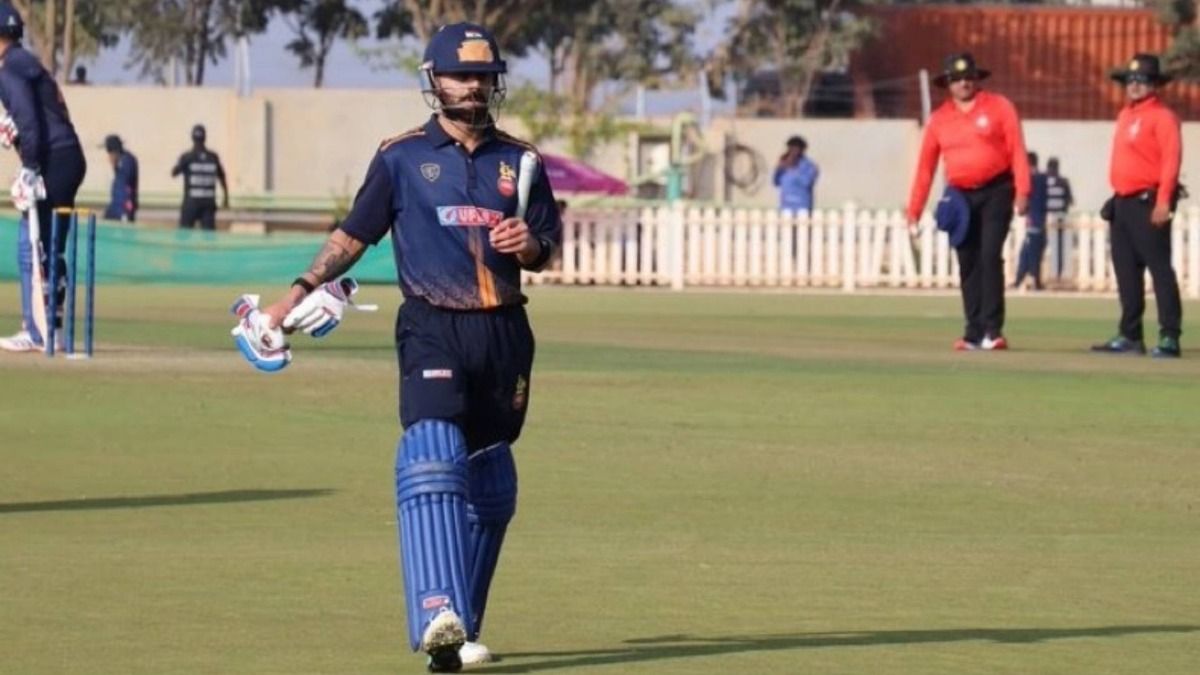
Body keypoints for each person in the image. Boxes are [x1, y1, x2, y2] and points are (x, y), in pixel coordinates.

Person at [257, 22, 561, 673]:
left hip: (504, 332)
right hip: (432, 323)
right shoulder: (400, 157)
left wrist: (527, 247)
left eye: (483, 76)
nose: (474, 87)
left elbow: (547, 245)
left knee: (493, 480)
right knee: (433, 453)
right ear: (434, 80)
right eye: (461, 75)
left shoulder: (523, 160)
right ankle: (434, 610)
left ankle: (459, 631)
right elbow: (354, 235)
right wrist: (297, 292)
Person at [906, 53, 1031, 351]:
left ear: (976, 79)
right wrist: (914, 209)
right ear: (948, 83)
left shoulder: (999, 107)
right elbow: (926, 166)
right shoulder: (939, 119)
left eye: (968, 77)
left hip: (997, 189)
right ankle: (973, 331)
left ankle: (993, 330)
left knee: (989, 255)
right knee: (967, 260)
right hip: (960, 195)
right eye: (957, 79)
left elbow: (1017, 149)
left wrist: (1023, 190)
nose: (964, 83)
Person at [0, 4, 87, 353]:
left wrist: (30, 167)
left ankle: (36, 331)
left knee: (31, 244)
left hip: (52, 160)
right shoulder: (24, 62)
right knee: (51, 248)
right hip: (67, 157)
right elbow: (30, 119)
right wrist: (16, 137)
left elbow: (30, 119)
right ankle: (52, 330)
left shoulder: (8, 69)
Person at [1091, 53, 1184, 358]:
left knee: (1159, 269)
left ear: (1154, 84)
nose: (1135, 85)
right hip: (1123, 202)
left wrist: (1163, 200)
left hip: (1149, 200)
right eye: (1131, 80)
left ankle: (1169, 335)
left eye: (1142, 80)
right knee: (1126, 270)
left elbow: (1171, 161)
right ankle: (1130, 334)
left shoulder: (1163, 117)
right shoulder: (1125, 115)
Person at [171, 123, 228, 230]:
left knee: (184, 235)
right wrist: (226, 198)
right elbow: (222, 177)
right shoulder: (213, 157)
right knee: (208, 237)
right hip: (208, 203)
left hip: (191, 203)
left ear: (192, 138)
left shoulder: (187, 157)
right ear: (205, 138)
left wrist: (181, 164)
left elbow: (173, 173)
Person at [1013, 151, 1049, 290]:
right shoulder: (1043, 178)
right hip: (1040, 219)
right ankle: (1023, 278)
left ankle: (1031, 279)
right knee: (1031, 250)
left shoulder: (1030, 179)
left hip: (1033, 219)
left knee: (1030, 251)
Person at [1044, 156, 1074, 279]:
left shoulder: (1043, 181)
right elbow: (1070, 200)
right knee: (1059, 247)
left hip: (1046, 218)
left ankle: (1049, 272)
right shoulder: (1063, 181)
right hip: (1061, 217)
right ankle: (1059, 272)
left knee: (1047, 246)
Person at [773, 135, 818, 212]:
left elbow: (806, 183)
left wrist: (793, 169)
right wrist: (778, 169)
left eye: (796, 148)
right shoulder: (785, 163)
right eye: (791, 148)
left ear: (802, 150)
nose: (793, 151)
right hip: (786, 206)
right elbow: (776, 182)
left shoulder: (809, 166)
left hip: (802, 206)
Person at [102, 134, 138, 222]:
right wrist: (115, 166)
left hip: (124, 206)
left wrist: (116, 164)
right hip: (115, 204)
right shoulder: (121, 161)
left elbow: (126, 181)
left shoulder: (128, 160)